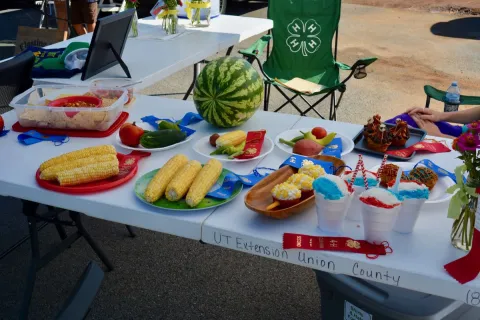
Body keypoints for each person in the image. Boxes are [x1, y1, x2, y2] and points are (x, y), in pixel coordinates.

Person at [386, 107, 480, 139]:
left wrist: (439, 136)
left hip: (471, 154)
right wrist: (440, 115)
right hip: (467, 132)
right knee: (409, 118)